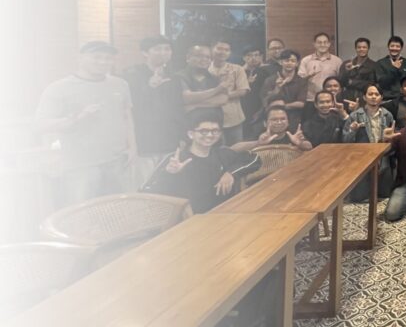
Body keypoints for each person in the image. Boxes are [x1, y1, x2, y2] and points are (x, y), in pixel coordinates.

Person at [36, 41, 136, 205]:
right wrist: (78, 117)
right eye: (97, 57)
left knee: (118, 211)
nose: (103, 62)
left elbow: (127, 117)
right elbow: (41, 125)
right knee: (82, 212)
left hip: (117, 162)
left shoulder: (120, 84)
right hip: (80, 165)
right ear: (80, 58)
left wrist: (133, 148)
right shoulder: (58, 88)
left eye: (108, 58)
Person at [149, 112, 260, 214]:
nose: (210, 135)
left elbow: (254, 159)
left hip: (224, 214)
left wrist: (230, 173)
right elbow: (150, 192)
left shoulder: (222, 154)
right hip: (190, 219)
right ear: (191, 134)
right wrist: (170, 174)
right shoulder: (176, 159)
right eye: (203, 131)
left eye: (215, 131)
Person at [122, 35, 182, 187]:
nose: (163, 52)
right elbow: (128, 108)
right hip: (144, 142)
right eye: (157, 49)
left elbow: (177, 109)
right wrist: (149, 88)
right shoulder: (131, 75)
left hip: (169, 142)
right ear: (145, 53)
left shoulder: (174, 77)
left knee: (167, 184)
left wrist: (181, 137)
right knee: (144, 184)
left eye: (167, 49)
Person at [342, 84, 398, 200]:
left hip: (382, 157)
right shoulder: (355, 115)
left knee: (385, 195)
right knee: (359, 198)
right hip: (362, 158)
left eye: (377, 94)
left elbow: (392, 139)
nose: (373, 97)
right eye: (370, 94)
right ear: (364, 97)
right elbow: (345, 141)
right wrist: (352, 130)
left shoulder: (387, 115)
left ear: (381, 97)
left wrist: (390, 141)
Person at [208, 39, 250, 146]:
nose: (222, 52)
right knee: (215, 149)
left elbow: (243, 91)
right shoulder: (205, 69)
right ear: (212, 49)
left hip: (233, 118)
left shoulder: (237, 69)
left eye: (226, 50)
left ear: (230, 53)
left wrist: (220, 97)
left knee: (236, 149)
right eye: (219, 48)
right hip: (210, 118)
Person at [258, 49, 307, 130]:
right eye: (286, 60)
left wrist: (281, 106)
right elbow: (265, 101)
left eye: (293, 61)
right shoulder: (270, 80)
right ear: (280, 62)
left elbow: (301, 103)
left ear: (297, 63)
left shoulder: (302, 81)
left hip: (294, 117)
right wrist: (277, 88)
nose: (289, 63)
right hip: (273, 117)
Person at [233, 105, 313, 153]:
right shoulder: (260, 134)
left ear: (288, 122)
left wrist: (300, 144)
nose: (279, 122)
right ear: (265, 123)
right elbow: (234, 149)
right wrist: (257, 143)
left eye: (283, 119)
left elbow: (309, 147)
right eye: (274, 119)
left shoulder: (292, 134)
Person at [298, 33, 343, 118]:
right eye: (319, 42)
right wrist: (309, 75)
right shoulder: (306, 60)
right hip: (311, 100)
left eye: (325, 42)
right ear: (314, 44)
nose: (322, 45)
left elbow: (341, 82)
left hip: (331, 102)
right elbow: (299, 81)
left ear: (329, 44)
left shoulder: (337, 61)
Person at [180, 45, 228, 116]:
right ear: (188, 58)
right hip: (188, 121)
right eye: (199, 56)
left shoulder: (214, 77)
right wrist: (216, 90)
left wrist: (195, 105)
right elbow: (187, 98)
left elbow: (223, 99)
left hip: (214, 120)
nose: (204, 59)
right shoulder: (179, 77)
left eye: (208, 57)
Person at [375, 35, 406, 103]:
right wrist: (394, 69)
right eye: (392, 46)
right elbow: (381, 83)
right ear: (388, 47)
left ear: (401, 48)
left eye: (397, 46)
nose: (394, 48)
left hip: (403, 99)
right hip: (386, 99)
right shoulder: (380, 63)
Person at [240, 45, 265, 138]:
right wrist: (247, 83)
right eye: (249, 55)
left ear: (261, 57)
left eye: (256, 55)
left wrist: (261, 110)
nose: (253, 58)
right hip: (242, 108)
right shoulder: (238, 72)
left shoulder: (264, 71)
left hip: (260, 108)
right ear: (244, 57)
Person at [340, 37, 376, 104]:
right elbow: (341, 82)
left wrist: (352, 82)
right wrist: (347, 71)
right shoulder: (346, 64)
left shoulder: (374, 65)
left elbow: (371, 84)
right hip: (347, 98)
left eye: (364, 47)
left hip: (364, 99)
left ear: (368, 48)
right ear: (355, 48)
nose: (361, 49)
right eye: (359, 47)